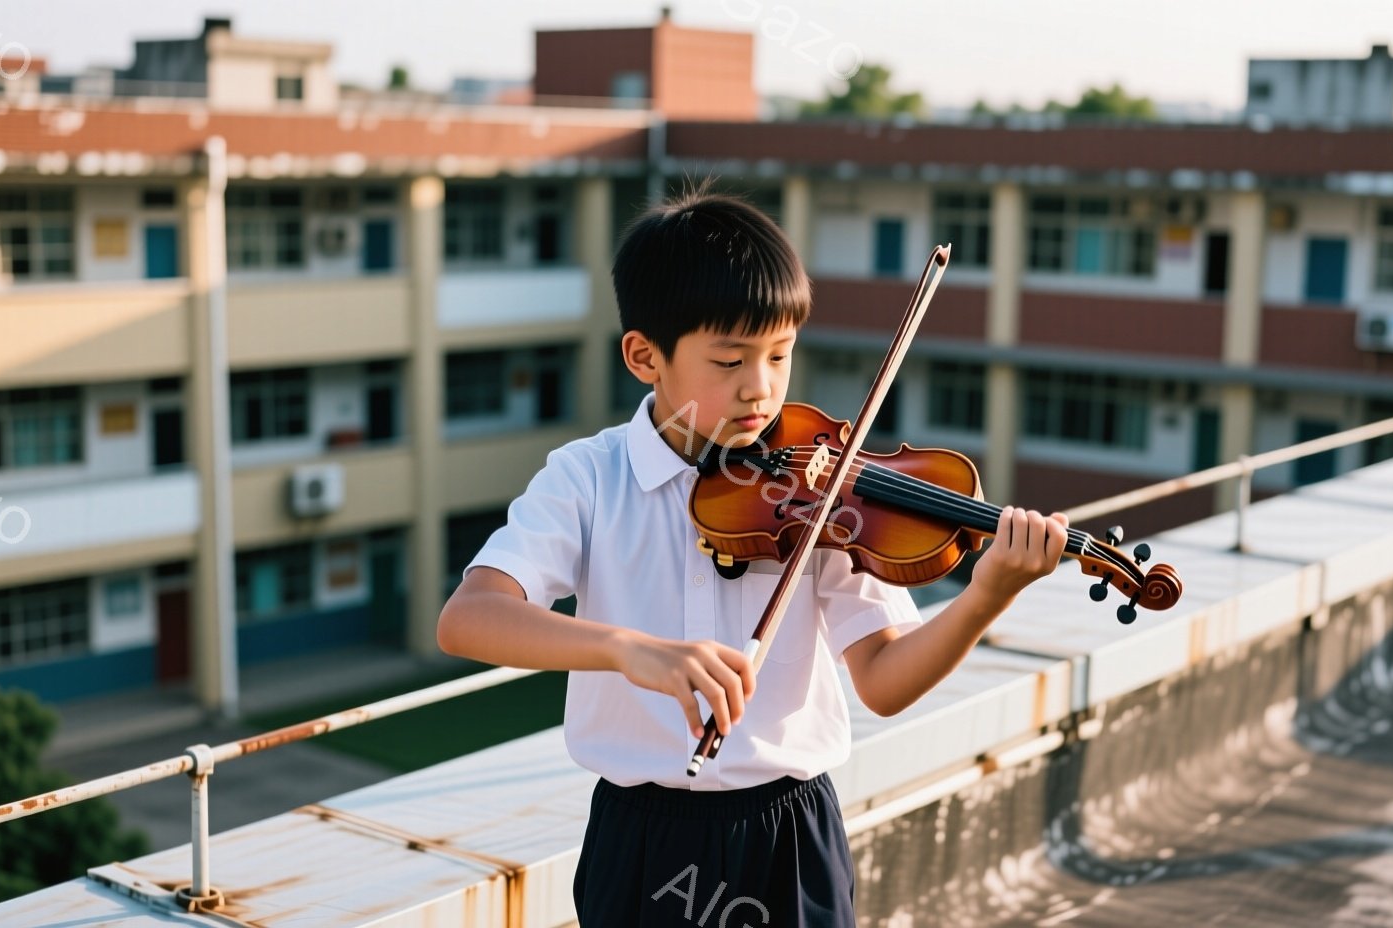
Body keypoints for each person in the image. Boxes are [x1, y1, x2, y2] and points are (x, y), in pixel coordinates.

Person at [437, 188, 1069, 927]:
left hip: (789, 836)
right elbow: (469, 619)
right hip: (641, 842)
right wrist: (626, 649)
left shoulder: (824, 490)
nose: (761, 389)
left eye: (780, 355)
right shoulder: (588, 478)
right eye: (730, 360)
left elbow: (885, 681)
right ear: (645, 356)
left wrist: (984, 599)